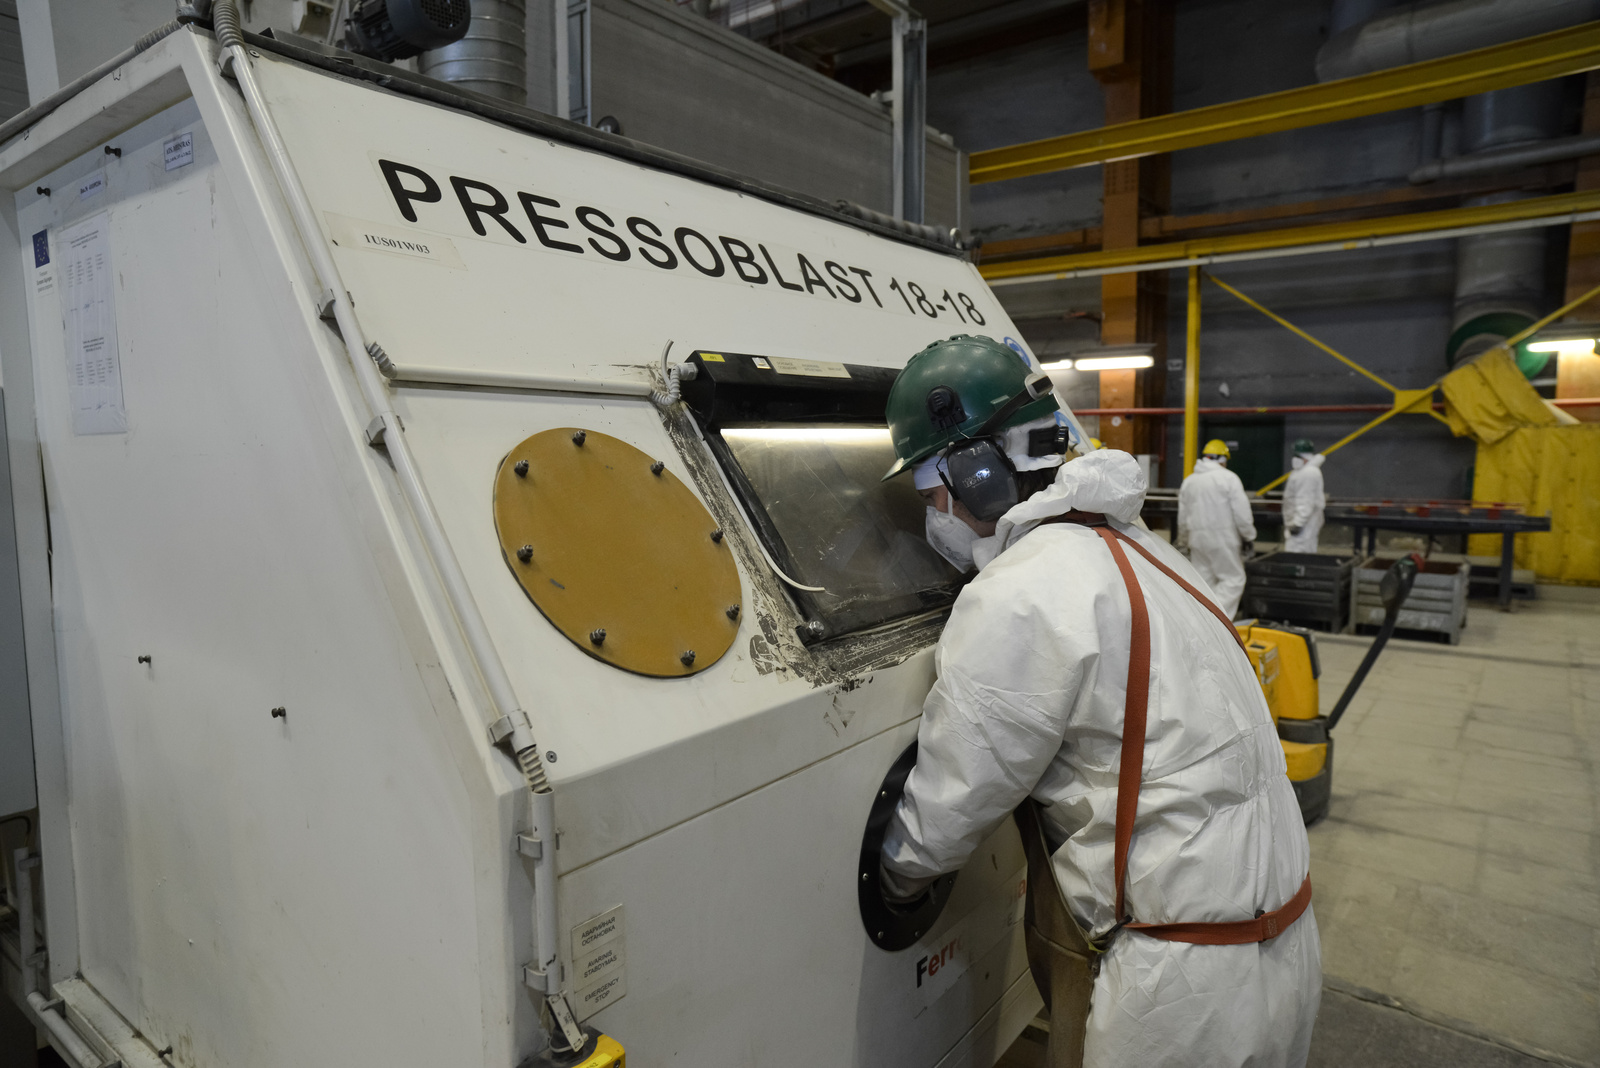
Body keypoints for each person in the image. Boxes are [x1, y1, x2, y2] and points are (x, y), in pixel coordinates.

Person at [877, 336, 1320, 1068]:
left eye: (930, 495)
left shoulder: (1021, 592)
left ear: (978, 474)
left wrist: (895, 880)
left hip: (1181, 987)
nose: (933, 519)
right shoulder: (1151, 553)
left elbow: (958, 796)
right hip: (1282, 944)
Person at [1177, 439, 1257, 618]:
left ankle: (1201, 621)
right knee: (1234, 580)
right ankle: (1218, 621)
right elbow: (1242, 513)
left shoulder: (1189, 481)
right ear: (1222, 459)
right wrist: (1248, 536)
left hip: (1197, 540)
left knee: (1204, 583)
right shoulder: (1229, 478)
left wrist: (1183, 539)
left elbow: (1182, 517)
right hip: (1224, 540)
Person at [1282, 439, 1326, 554]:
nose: (1294, 459)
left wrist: (1298, 523)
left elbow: (1306, 501)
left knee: (1298, 555)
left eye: (1297, 456)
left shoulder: (1308, 473)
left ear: (1305, 457)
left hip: (1303, 526)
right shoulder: (1303, 471)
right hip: (1303, 524)